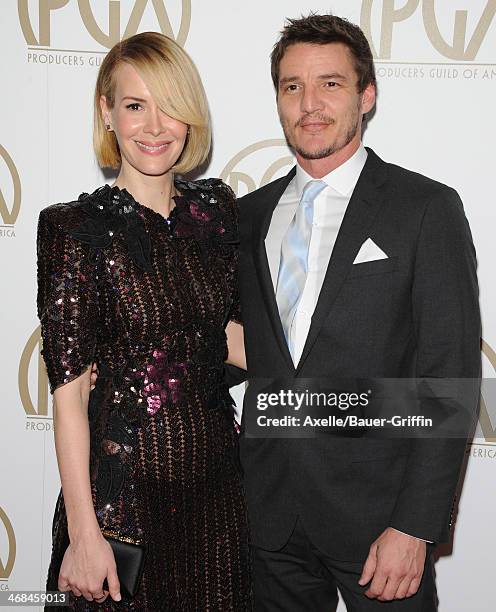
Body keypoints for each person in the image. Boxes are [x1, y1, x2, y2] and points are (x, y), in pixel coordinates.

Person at [232, 14, 481, 611]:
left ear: (367, 96)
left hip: (381, 524)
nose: (309, 104)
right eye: (292, 87)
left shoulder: (424, 208)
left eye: (331, 84)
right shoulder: (245, 217)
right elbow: (248, 353)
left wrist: (416, 526)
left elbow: (450, 376)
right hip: (270, 520)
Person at [37, 31, 251, 611]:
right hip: (121, 504)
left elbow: (235, 342)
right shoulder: (73, 229)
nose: (155, 126)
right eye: (135, 105)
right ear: (107, 113)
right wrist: (84, 532)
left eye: (170, 106)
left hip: (218, 501)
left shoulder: (219, 214)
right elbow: (70, 395)